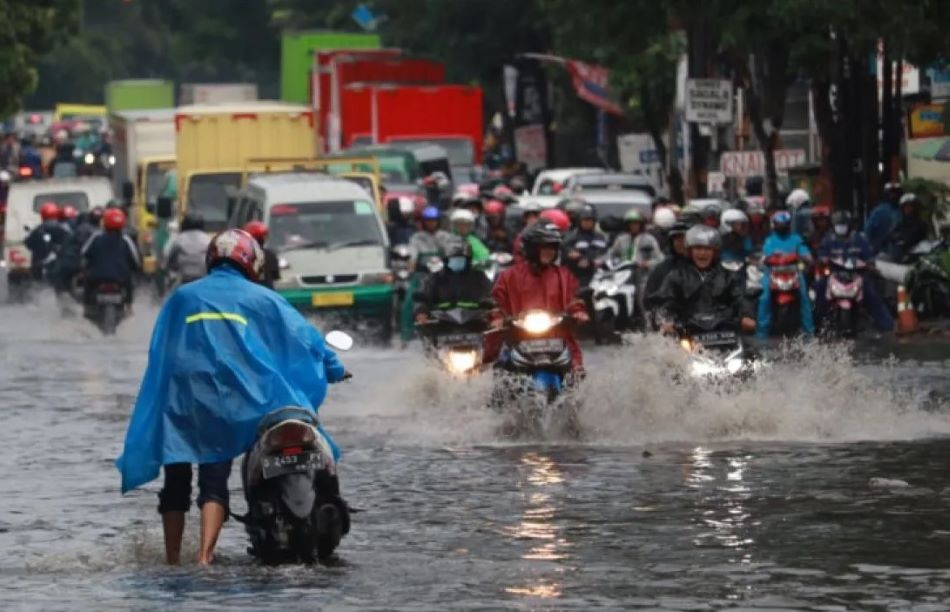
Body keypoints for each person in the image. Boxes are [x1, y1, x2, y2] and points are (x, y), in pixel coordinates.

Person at [115, 229, 349, 566]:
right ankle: (204, 556)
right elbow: (306, 339)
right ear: (251, 261)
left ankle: (171, 559)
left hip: (181, 398)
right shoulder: (261, 298)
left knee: (176, 478)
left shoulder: (183, 296)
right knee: (214, 475)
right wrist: (334, 367)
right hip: (228, 398)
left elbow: (161, 350)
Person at [491, 222, 589, 375]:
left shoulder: (563, 275)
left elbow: (574, 300)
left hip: (557, 337)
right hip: (519, 337)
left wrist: (578, 313)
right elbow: (497, 302)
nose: (548, 252)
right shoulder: (509, 276)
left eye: (552, 248)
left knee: (576, 373)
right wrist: (497, 317)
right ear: (532, 249)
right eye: (544, 247)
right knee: (500, 370)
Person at [655, 226, 753, 334]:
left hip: (724, 331)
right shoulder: (677, 276)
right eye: (698, 248)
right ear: (690, 251)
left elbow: (740, 298)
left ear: (715, 251)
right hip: (686, 331)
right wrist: (667, 320)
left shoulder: (728, 275)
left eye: (707, 249)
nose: (702, 253)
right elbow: (665, 302)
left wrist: (746, 316)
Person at [814, 210, 894, 333]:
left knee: (872, 294)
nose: (841, 228)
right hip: (834, 275)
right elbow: (821, 255)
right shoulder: (828, 239)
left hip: (857, 275)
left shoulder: (859, 239)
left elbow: (869, 256)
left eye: (843, 224)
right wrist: (822, 260)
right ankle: (816, 326)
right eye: (838, 225)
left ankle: (886, 326)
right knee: (819, 288)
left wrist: (869, 265)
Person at [756, 210, 815, 338]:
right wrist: (768, 259)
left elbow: (805, 253)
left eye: (785, 224)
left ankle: (809, 333)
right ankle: (761, 333)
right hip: (773, 273)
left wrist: (806, 258)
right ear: (774, 225)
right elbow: (765, 257)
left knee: (804, 298)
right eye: (779, 224)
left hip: (794, 272)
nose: (782, 226)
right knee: (764, 298)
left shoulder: (796, 239)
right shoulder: (770, 241)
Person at [402, 206, 454, 345]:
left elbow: (451, 253)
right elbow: (412, 255)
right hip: (422, 276)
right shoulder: (416, 238)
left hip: (443, 276)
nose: (431, 223)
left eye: (434, 220)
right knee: (409, 302)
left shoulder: (445, 236)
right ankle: (405, 338)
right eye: (428, 221)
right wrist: (411, 264)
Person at [414, 238, 492, 321]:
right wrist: (421, 311)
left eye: (461, 258)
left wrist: (489, 307)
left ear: (468, 260)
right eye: (453, 259)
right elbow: (422, 298)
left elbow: (490, 296)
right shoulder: (435, 278)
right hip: (441, 325)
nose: (457, 261)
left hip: (474, 323)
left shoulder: (479, 277)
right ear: (446, 260)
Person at [81, 208, 141, 307]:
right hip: (121, 277)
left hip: (97, 276)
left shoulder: (96, 237)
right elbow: (136, 259)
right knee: (129, 284)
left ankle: (87, 306)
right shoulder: (126, 240)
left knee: (87, 283)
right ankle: (129, 306)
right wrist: (136, 269)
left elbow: (84, 252)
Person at [644, 221, 690, 320]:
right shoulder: (662, 268)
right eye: (677, 240)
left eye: (683, 239)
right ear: (671, 242)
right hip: (670, 318)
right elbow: (649, 298)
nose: (680, 243)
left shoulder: (701, 265)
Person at [562, 204, 608, 286]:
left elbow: (605, 254)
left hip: (598, 276)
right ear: (580, 221)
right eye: (585, 220)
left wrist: (600, 260)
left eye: (590, 220)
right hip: (577, 276)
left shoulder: (600, 237)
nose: (587, 222)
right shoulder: (572, 236)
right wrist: (575, 256)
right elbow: (566, 251)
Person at [25, 202, 69, 280]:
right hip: (61, 262)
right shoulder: (64, 228)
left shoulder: (38, 229)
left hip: (40, 262)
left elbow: (28, 243)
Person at [165, 214, 211, 285]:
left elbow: (171, 258)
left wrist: (172, 270)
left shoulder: (179, 239)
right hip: (204, 277)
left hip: (185, 278)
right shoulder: (208, 239)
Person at [886, 193, 929, 262]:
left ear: (916, 208)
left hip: (917, 258)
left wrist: (904, 240)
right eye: (905, 206)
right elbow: (890, 235)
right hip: (900, 258)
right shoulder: (900, 223)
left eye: (911, 206)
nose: (908, 209)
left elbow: (917, 240)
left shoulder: (921, 224)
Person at [864, 182, 903, 255]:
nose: (894, 196)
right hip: (880, 251)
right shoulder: (879, 211)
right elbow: (868, 231)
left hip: (899, 250)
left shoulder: (903, 210)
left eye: (896, 193)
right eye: (891, 193)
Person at [244, 220, 280, 290]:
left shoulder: (243, 255)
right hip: (268, 293)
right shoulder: (270, 255)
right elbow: (276, 276)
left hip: (249, 292)